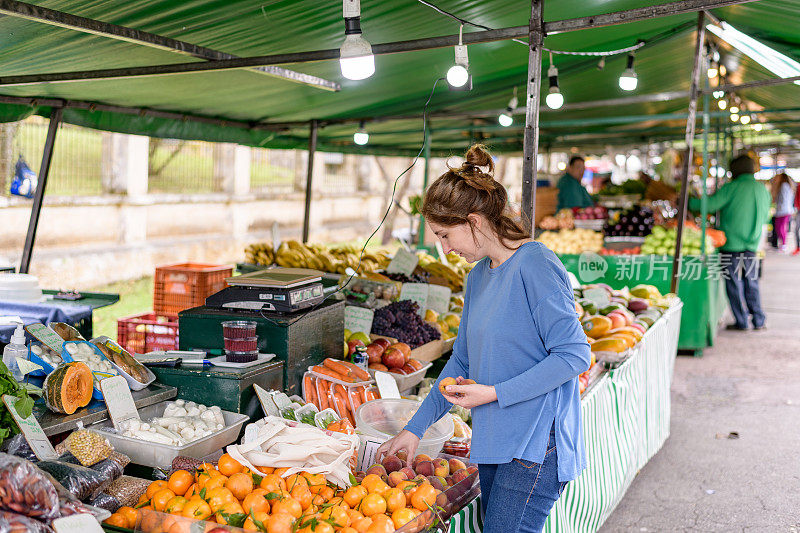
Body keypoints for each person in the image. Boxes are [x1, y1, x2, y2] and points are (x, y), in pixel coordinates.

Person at [377, 144, 590, 532]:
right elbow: (461, 362)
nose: (444, 249)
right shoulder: (477, 276)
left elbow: (574, 356)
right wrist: (414, 428)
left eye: (445, 235)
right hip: (494, 440)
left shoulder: (536, 264)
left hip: (536, 446)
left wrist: (494, 393)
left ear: (474, 221)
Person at [688, 154, 771, 331]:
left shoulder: (732, 188)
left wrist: (688, 202)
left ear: (735, 170)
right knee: (752, 281)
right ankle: (758, 320)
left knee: (733, 283)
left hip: (731, 244)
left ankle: (741, 321)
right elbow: (766, 216)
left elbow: (709, 205)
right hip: (752, 244)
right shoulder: (762, 189)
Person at [772, 173, 795, 252]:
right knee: (780, 227)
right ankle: (783, 244)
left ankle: (784, 245)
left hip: (783, 211)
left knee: (780, 227)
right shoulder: (787, 186)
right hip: (785, 210)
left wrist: (777, 206)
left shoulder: (784, 186)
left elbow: (783, 199)